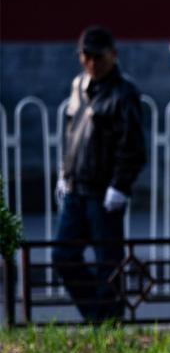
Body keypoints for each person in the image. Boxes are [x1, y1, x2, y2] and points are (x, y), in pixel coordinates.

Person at [53, 26, 146, 322]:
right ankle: (99, 316)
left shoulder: (125, 91)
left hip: (104, 193)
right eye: (86, 56)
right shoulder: (79, 85)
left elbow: (132, 148)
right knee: (62, 257)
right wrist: (62, 173)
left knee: (109, 263)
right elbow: (72, 134)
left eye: (98, 56)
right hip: (75, 189)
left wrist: (119, 186)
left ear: (113, 55)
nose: (92, 63)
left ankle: (111, 324)